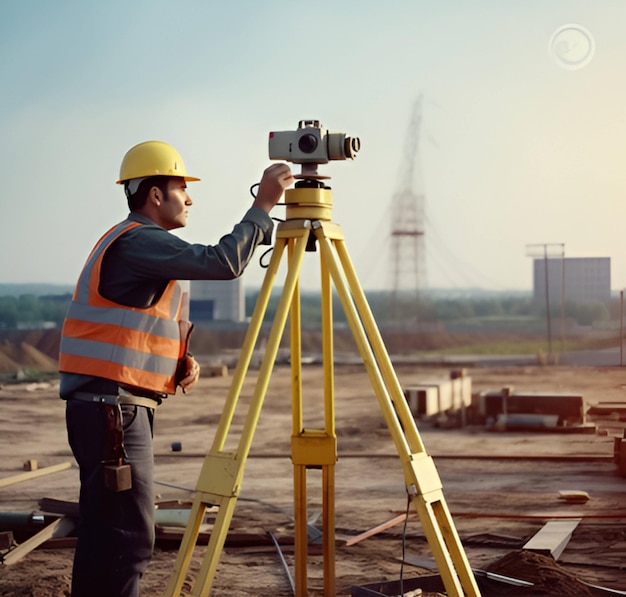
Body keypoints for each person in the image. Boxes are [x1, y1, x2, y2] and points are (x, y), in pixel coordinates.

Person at [58, 140, 293, 597]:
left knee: (109, 536)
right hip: (114, 414)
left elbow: (130, 330)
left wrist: (177, 362)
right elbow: (224, 262)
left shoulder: (133, 244)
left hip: (113, 407)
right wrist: (263, 204)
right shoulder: (139, 241)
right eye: (182, 188)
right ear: (154, 195)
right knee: (127, 540)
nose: (189, 198)